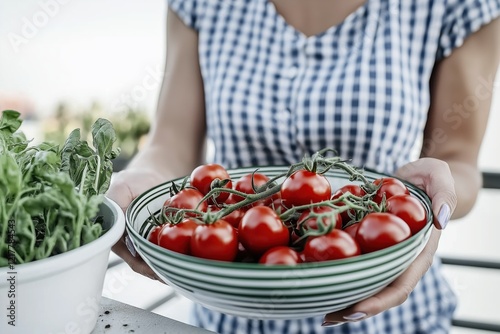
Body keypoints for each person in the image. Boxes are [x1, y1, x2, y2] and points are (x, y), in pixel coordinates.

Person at [108, 0, 500, 332]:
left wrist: (433, 197)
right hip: (231, 313)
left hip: (393, 316)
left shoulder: (455, 5)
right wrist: (140, 182)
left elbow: (459, 163)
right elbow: (171, 145)